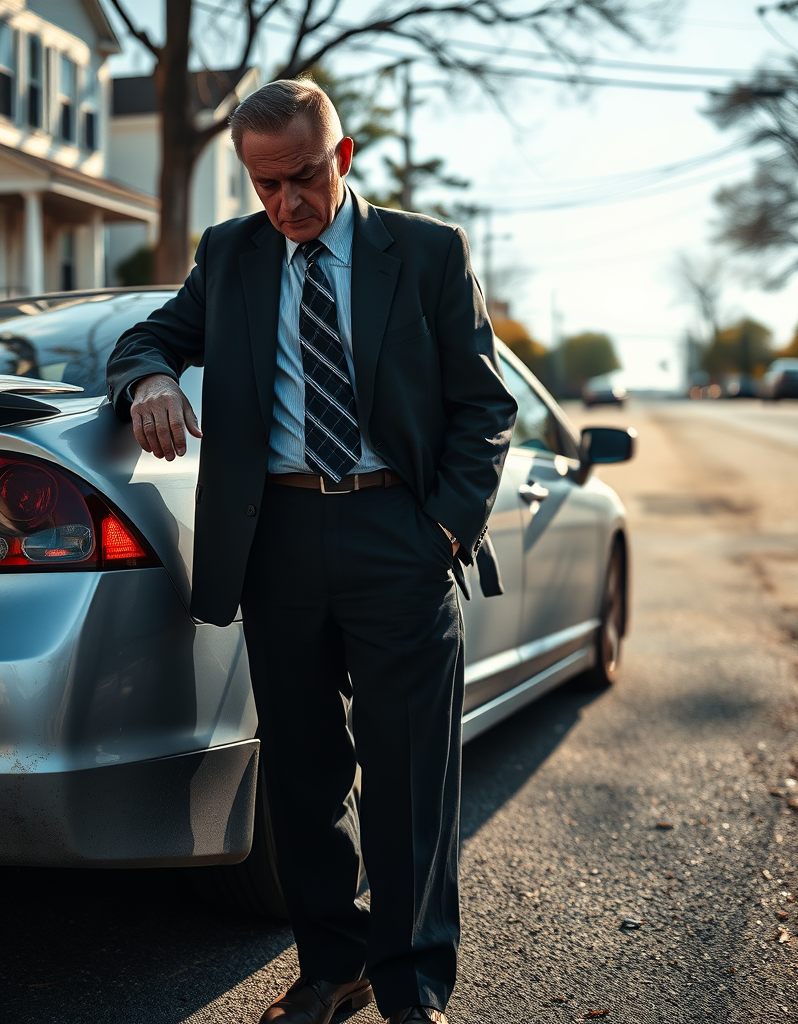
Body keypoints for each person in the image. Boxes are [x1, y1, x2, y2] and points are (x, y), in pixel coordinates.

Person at [106, 78, 516, 1024]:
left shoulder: (425, 252)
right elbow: (148, 335)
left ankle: (414, 986)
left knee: (409, 777)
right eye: (262, 186)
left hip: (397, 536)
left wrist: (442, 531)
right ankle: (333, 967)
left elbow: (485, 407)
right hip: (277, 538)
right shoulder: (232, 255)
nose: (285, 206)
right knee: (301, 774)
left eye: (299, 179)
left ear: (341, 157)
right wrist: (153, 378)